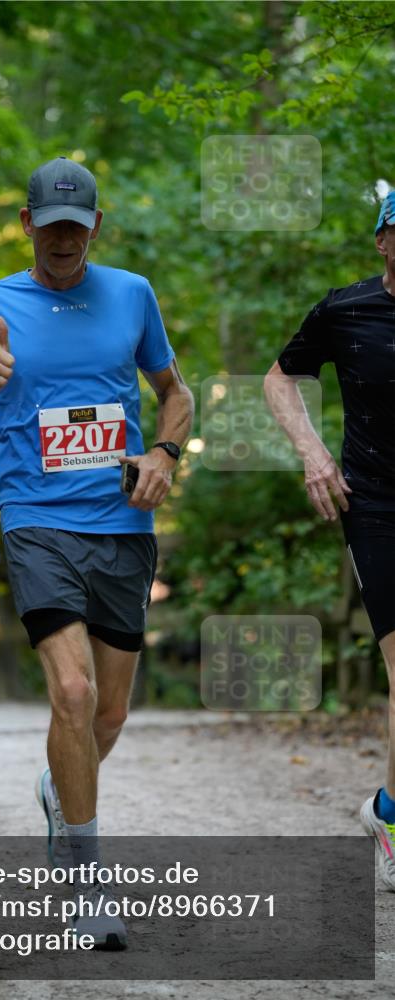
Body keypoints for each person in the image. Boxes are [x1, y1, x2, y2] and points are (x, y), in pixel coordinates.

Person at [0, 156, 194, 948]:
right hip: (35, 521)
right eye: (48, 228)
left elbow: (174, 394)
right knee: (72, 695)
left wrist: (163, 455)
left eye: (75, 230)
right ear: (25, 224)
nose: (61, 242)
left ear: (95, 229)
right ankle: (85, 887)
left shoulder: (132, 294)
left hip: (120, 526)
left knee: (107, 714)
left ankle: (58, 791)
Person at [264, 191, 395, 891]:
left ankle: (382, 806)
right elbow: (278, 377)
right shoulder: (344, 311)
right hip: (374, 504)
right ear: (382, 240)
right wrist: (313, 454)